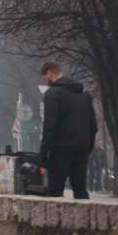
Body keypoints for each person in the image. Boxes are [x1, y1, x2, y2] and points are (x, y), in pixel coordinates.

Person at [38, 62, 97, 199]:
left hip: (60, 151)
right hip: (81, 150)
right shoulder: (85, 96)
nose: (45, 81)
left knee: (55, 192)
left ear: (49, 74)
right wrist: (87, 148)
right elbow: (93, 127)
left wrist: (43, 158)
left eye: (44, 78)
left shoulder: (52, 94)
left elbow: (49, 127)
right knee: (81, 192)